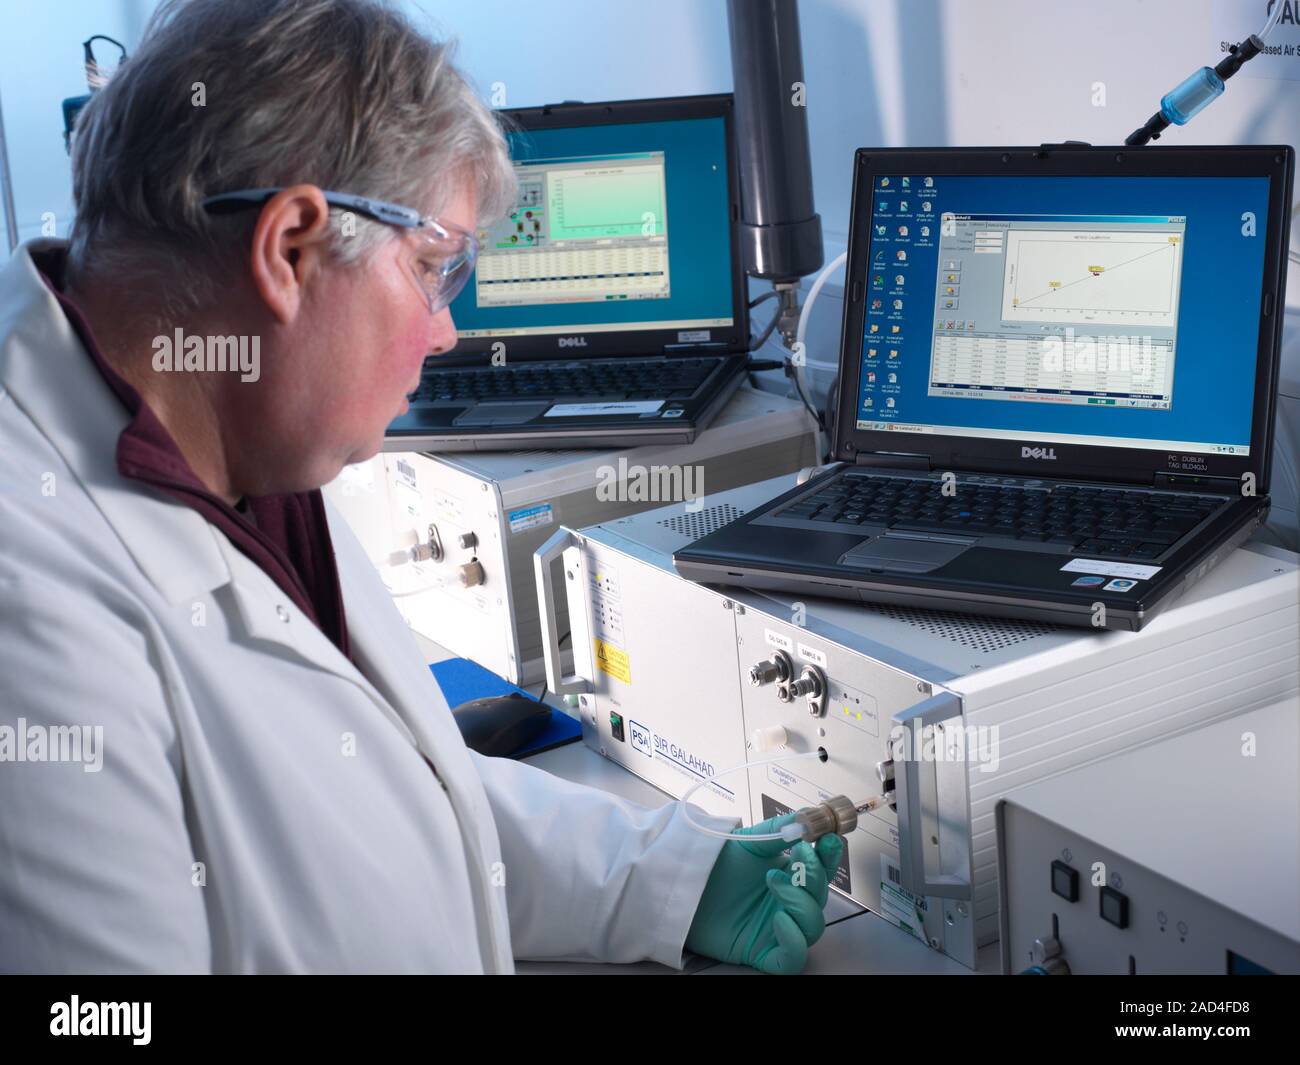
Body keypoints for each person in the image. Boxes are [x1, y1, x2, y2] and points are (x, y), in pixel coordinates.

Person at [0, 0, 842, 974]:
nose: (445, 333)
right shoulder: (33, 607)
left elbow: (377, 795)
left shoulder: (237, 431)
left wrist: (659, 877)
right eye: (435, 267)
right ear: (291, 250)